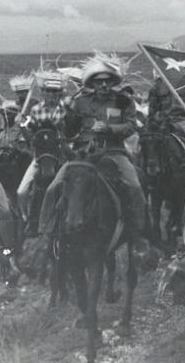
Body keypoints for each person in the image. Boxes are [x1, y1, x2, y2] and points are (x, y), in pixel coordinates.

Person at [53, 55, 146, 234]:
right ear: (93, 84)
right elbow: (70, 132)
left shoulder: (124, 101)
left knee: (134, 187)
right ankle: (46, 235)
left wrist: (109, 128)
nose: (103, 85)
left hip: (114, 152)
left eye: (107, 81)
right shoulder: (80, 102)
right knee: (53, 188)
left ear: (112, 82)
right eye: (99, 82)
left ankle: (138, 236)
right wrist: (66, 114)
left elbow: (131, 125)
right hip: (82, 154)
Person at [17, 71, 70, 235]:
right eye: (48, 91)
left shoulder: (66, 109)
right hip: (40, 155)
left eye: (55, 91)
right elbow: (31, 136)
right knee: (22, 191)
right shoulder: (35, 110)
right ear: (43, 92)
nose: (51, 95)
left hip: (62, 153)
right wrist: (21, 126)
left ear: (60, 93)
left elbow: (71, 131)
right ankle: (28, 219)